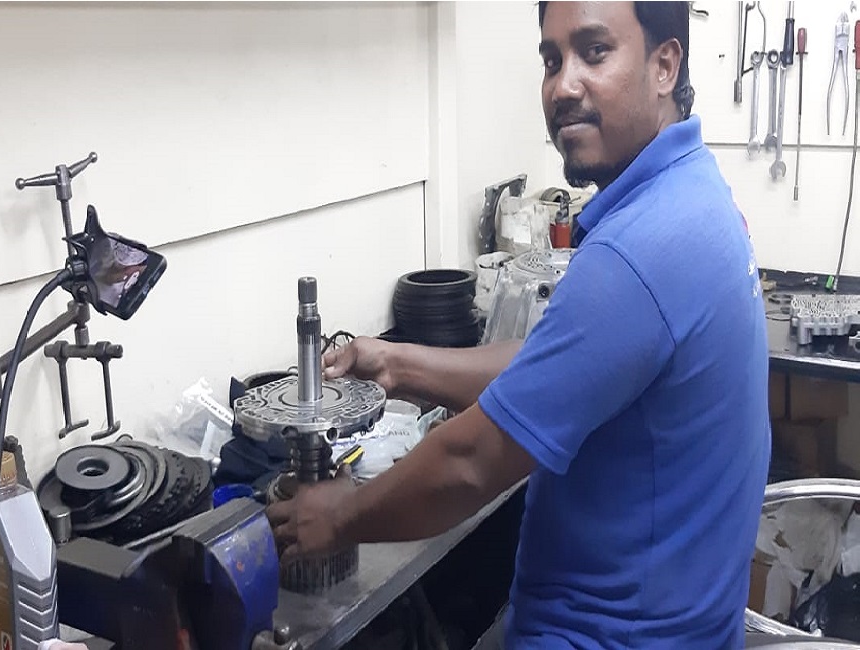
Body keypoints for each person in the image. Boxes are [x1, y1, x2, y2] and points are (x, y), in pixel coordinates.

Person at [266, 2, 770, 647]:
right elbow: (559, 367)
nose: (564, 86)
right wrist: (398, 364)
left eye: (594, 52)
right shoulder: (692, 194)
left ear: (664, 65)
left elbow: (470, 462)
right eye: (552, 60)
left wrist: (341, 516)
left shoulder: (637, 252)